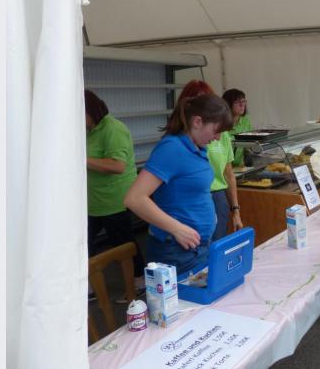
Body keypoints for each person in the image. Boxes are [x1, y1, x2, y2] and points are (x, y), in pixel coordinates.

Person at [123, 94, 233, 273]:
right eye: (216, 130)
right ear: (197, 122)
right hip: (175, 251)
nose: (218, 138)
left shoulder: (198, 148)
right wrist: (177, 229)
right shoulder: (172, 148)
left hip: (198, 248)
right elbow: (134, 198)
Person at [84, 90, 146, 295]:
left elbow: (117, 165)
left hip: (115, 200)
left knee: (124, 244)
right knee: (84, 243)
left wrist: (82, 159)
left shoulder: (113, 128)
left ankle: (139, 282)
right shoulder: (88, 131)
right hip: (93, 201)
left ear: (89, 110)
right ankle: (89, 286)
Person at [172, 81, 244, 242]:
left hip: (217, 198)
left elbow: (228, 174)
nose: (216, 137)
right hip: (191, 201)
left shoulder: (220, 135)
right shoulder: (176, 144)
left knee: (214, 248)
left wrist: (236, 211)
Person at [222, 88, 252, 167]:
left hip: (240, 166)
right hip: (224, 166)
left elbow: (249, 144)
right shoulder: (221, 123)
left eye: (243, 101)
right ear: (227, 104)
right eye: (237, 102)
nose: (242, 105)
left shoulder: (246, 119)